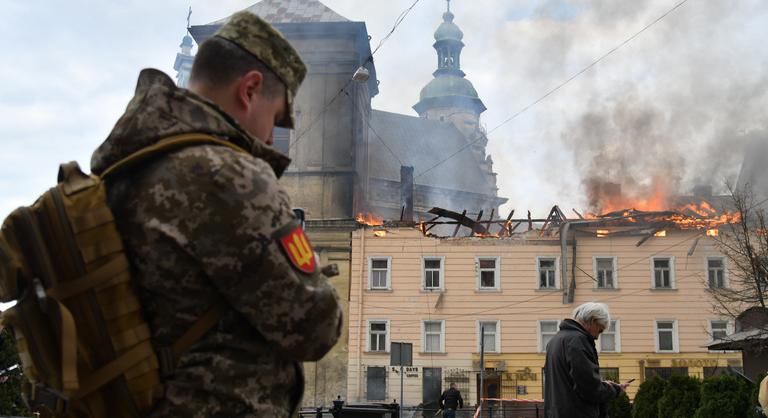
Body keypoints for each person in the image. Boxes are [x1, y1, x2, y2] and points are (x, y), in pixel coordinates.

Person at [90, 11, 343, 417]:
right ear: (250, 89)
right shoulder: (230, 175)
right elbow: (315, 327)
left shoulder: (118, 168)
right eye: (275, 120)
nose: (268, 137)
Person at [543, 302, 627, 418]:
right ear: (593, 321)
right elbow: (589, 388)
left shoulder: (555, 340)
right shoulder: (578, 341)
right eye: (600, 330)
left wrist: (603, 385)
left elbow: (569, 382)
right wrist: (615, 390)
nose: (597, 336)